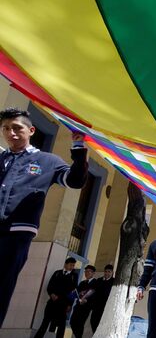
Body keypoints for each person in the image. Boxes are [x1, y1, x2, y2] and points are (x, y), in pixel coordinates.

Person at [0, 108, 88, 326]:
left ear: (31, 130)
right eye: (6, 128)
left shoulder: (47, 161)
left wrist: (78, 149)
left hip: (17, 234)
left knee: (1, 286)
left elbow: (75, 181)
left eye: (17, 128)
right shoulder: (2, 158)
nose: (11, 133)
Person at [34, 257, 78, 338]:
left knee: (61, 326)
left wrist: (69, 304)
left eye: (73, 265)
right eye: (71, 265)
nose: (72, 267)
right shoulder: (57, 273)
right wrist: (51, 294)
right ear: (66, 264)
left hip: (63, 305)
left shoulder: (74, 276)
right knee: (45, 322)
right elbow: (50, 286)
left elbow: (73, 292)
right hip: (52, 303)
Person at [70, 264, 97, 338]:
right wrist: (78, 293)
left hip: (86, 308)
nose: (87, 273)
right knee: (72, 322)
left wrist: (87, 301)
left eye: (89, 271)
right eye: (86, 271)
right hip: (78, 306)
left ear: (93, 273)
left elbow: (95, 296)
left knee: (80, 324)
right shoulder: (82, 283)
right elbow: (77, 292)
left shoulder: (96, 283)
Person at [90, 264, 114, 332]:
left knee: (102, 325)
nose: (107, 273)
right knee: (93, 322)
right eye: (106, 271)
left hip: (106, 308)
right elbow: (93, 291)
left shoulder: (113, 282)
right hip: (96, 307)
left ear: (112, 272)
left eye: (109, 272)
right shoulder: (99, 280)